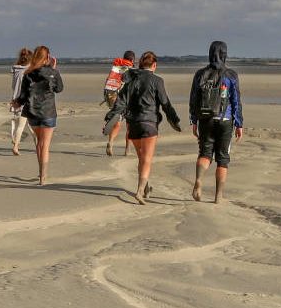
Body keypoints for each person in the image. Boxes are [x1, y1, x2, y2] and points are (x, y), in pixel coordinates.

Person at [103, 51, 179, 204]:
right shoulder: (157, 81)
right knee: (147, 159)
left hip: (133, 124)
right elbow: (165, 103)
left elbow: (121, 101)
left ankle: (146, 187)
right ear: (154, 65)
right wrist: (174, 120)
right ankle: (139, 191)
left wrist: (112, 116)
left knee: (142, 158)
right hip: (149, 123)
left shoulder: (131, 79)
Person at [188, 40, 243, 204]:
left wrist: (194, 120)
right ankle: (218, 196)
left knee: (205, 154)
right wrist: (239, 123)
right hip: (225, 120)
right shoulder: (231, 75)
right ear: (225, 54)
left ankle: (198, 180)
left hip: (206, 119)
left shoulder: (200, 74)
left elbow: (194, 99)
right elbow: (236, 101)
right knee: (223, 159)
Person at [12, 45, 64, 185]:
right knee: (44, 145)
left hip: (33, 113)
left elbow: (23, 96)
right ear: (47, 57)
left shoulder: (28, 73)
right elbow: (59, 89)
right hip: (48, 113)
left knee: (39, 143)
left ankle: (41, 173)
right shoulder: (52, 73)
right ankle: (43, 177)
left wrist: (16, 103)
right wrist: (53, 69)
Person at [101, 50, 136, 156]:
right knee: (129, 125)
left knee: (117, 123)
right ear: (132, 60)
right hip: (125, 99)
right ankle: (127, 149)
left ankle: (111, 142)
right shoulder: (130, 69)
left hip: (112, 96)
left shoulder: (116, 67)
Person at [8, 47, 32, 155]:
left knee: (20, 124)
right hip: (26, 100)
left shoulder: (16, 70)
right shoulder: (30, 70)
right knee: (28, 126)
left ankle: (15, 143)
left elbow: (13, 86)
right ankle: (16, 145)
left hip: (16, 99)